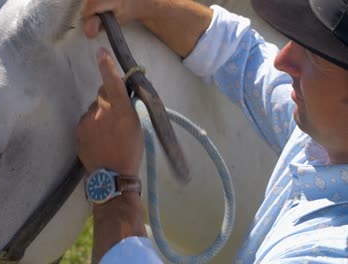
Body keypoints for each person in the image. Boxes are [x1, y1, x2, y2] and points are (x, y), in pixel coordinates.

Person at [76, 0, 348, 263]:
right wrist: (147, 6)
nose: (283, 59)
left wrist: (114, 193)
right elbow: (244, 57)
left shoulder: (321, 253)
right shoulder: (329, 135)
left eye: (315, 55)